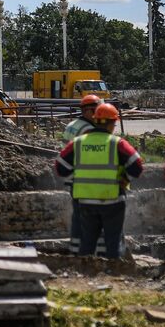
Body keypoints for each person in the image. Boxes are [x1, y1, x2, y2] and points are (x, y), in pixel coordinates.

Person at [56, 103, 143, 258]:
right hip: (112, 200)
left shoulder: (79, 142)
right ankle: (113, 273)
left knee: (87, 243)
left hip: (85, 201)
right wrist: (125, 179)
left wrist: (76, 179)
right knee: (113, 242)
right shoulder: (117, 143)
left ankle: (86, 273)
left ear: (95, 120)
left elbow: (60, 166)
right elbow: (137, 165)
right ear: (112, 123)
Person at [62, 94, 102, 254]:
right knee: (87, 219)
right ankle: (87, 252)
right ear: (89, 111)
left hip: (72, 178)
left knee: (77, 217)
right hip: (84, 180)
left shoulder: (72, 125)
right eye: (97, 110)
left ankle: (75, 249)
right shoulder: (89, 130)